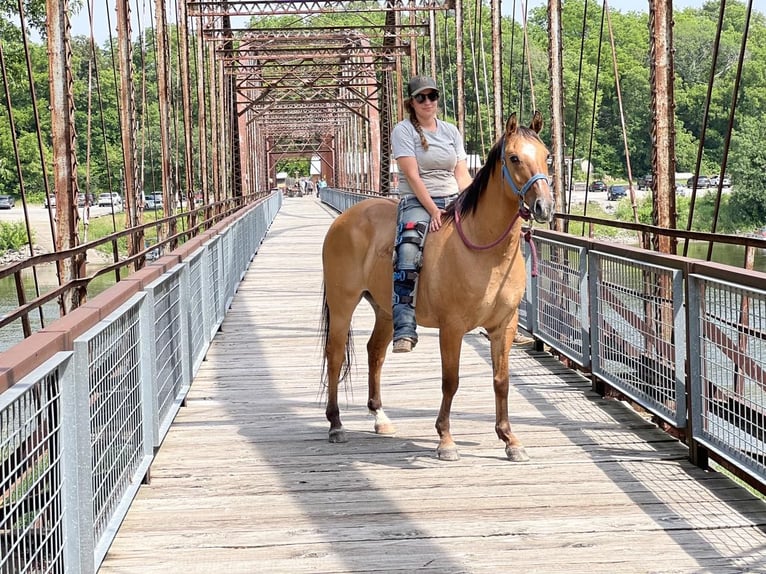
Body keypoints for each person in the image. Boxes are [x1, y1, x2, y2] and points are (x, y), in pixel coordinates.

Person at [390, 75, 473, 353]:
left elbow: (461, 173)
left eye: (432, 96)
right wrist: (433, 209)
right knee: (409, 249)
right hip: (417, 199)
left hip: (453, 197)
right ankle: (404, 326)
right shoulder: (403, 131)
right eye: (421, 97)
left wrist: (472, 202)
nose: (428, 102)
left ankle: (500, 314)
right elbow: (412, 176)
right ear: (411, 103)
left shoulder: (450, 131)